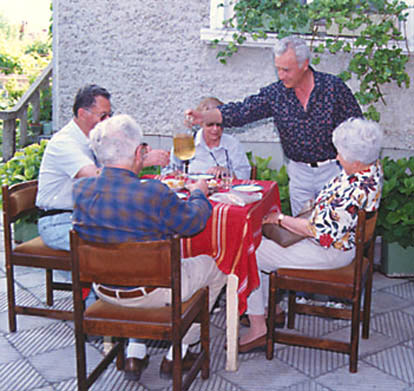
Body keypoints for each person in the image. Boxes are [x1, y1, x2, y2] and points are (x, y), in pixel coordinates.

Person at [72, 114, 227, 381]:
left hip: (103, 290)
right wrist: (200, 192)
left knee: (130, 264)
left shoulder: (81, 189)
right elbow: (192, 222)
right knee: (215, 268)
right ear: (137, 152)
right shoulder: (152, 192)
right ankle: (179, 350)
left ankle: (136, 348)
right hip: (150, 292)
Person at [237, 117, 383, 353]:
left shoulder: (353, 191)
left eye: (341, 155)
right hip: (341, 244)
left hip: (330, 252)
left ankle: (258, 327)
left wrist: (281, 219)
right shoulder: (371, 168)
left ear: (356, 162)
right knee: (260, 244)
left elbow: (318, 232)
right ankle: (267, 310)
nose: (337, 158)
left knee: (250, 251)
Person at [184, 36, 363, 216]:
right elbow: (242, 111)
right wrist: (203, 116)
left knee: (333, 229)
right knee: (301, 231)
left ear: (304, 64)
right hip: (299, 174)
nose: (281, 75)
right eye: (278, 69)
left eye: (286, 70)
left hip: (334, 170)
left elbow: (358, 130)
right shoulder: (276, 94)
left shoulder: (333, 89)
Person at [36, 84, 169, 252]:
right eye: (103, 116)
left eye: (110, 115)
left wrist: (134, 150)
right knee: (122, 243)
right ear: (82, 114)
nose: (108, 121)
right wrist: (141, 161)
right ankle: (111, 276)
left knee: (143, 228)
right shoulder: (64, 142)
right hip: (58, 221)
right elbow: (96, 176)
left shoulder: (95, 138)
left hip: (85, 216)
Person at [164, 97, 251, 179]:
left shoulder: (232, 144)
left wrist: (227, 173)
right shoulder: (187, 141)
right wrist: (174, 174)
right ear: (201, 123)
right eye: (210, 124)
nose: (215, 129)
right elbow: (168, 171)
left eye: (219, 125)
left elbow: (245, 174)